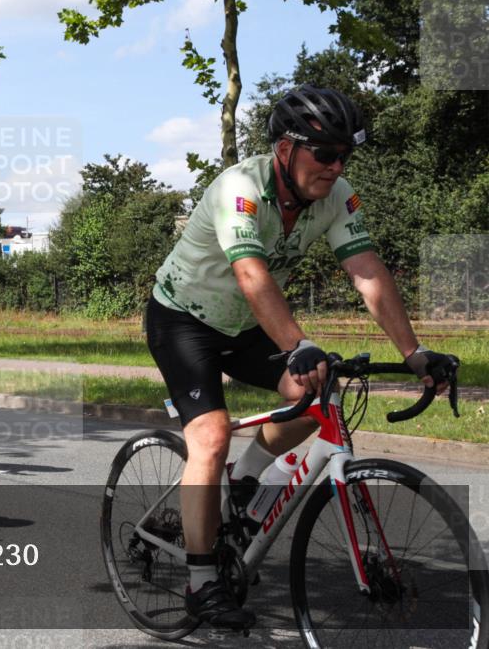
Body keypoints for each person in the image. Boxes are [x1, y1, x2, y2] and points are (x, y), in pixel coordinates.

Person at [146, 85, 457, 630]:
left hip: (245, 326)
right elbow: (251, 274)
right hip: (183, 321)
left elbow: (367, 273)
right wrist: (296, 343)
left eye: (345, 154)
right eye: (325, 152)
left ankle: (242, 484)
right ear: (285, 150)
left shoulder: (337, 196)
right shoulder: (239, 188)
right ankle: (201, 584)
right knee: (211, 435)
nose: (337, 166)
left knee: (315, 391)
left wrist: (414, 352)